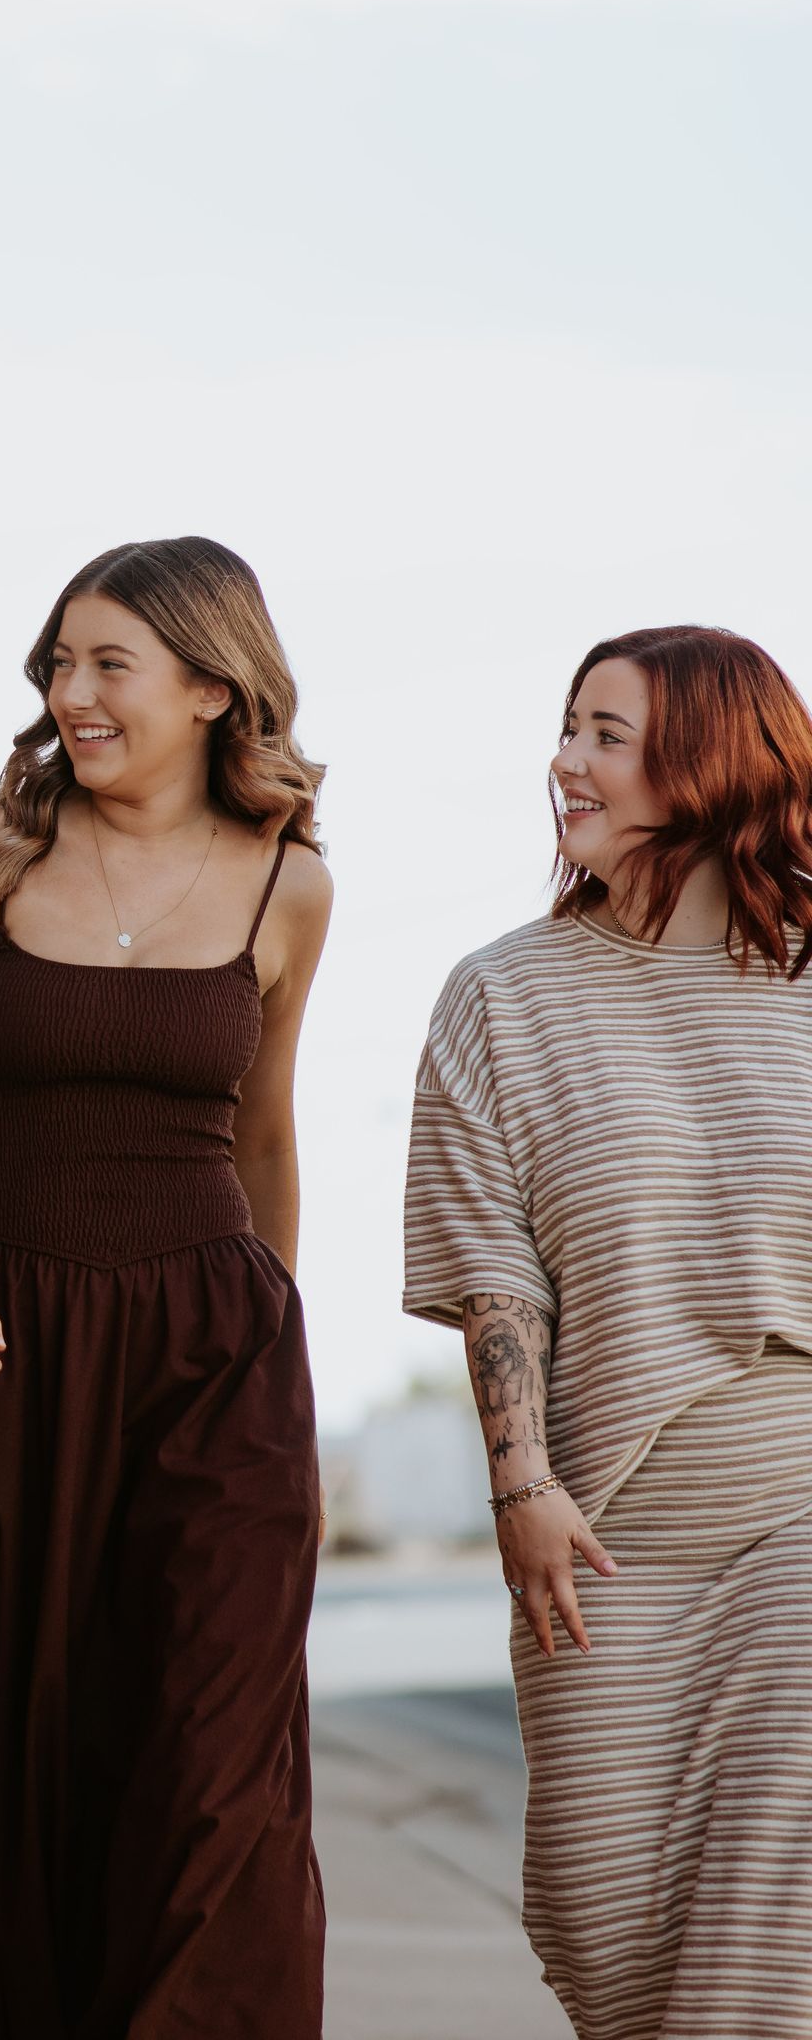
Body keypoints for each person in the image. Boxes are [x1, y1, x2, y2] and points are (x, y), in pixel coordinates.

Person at [0, 535, 332, 2040]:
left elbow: (268, 1136)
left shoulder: (288, 887)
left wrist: (276, 1351)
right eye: (60, 661)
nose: (73, 692)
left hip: (216, 1357)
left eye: (109, 662)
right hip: (4, 1342)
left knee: (210, 1754)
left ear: (210, 684)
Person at [404, 624, 812, 2040]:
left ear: (707, 764)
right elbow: (490, 1266)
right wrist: (519, 1481)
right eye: (568, 727)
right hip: (603, 1538)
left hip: (796, 1521)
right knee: (605, 1931)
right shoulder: (501, 997)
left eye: (606, 735)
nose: (565, 762)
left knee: (767, 1941)